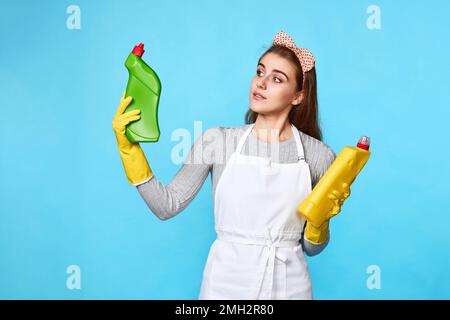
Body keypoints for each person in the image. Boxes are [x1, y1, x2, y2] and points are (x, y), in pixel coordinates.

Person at [112, 30, 343, 300]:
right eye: (260, 72)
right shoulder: (217, 141)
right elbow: (166, 206)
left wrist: (319, 224)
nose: (262, 83)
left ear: (297, 97)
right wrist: (129, 150)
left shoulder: (319, 156)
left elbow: (311, 248)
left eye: (277, 79)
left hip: (290, 287)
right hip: (225, 285)